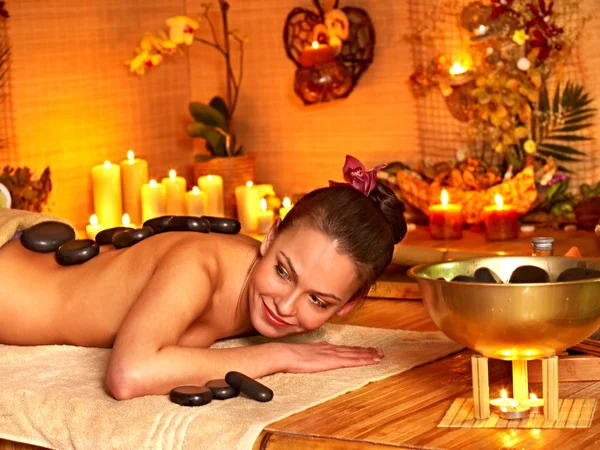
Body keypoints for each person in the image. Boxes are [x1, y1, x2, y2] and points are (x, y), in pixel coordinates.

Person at [0, 155, 407, 400]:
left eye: (318, 300)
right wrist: (279, 355)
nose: (285, 306)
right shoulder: (200, 266)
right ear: (269, 236)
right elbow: (129, 375)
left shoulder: (257, 287)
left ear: (349, 304)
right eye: (283, 272)